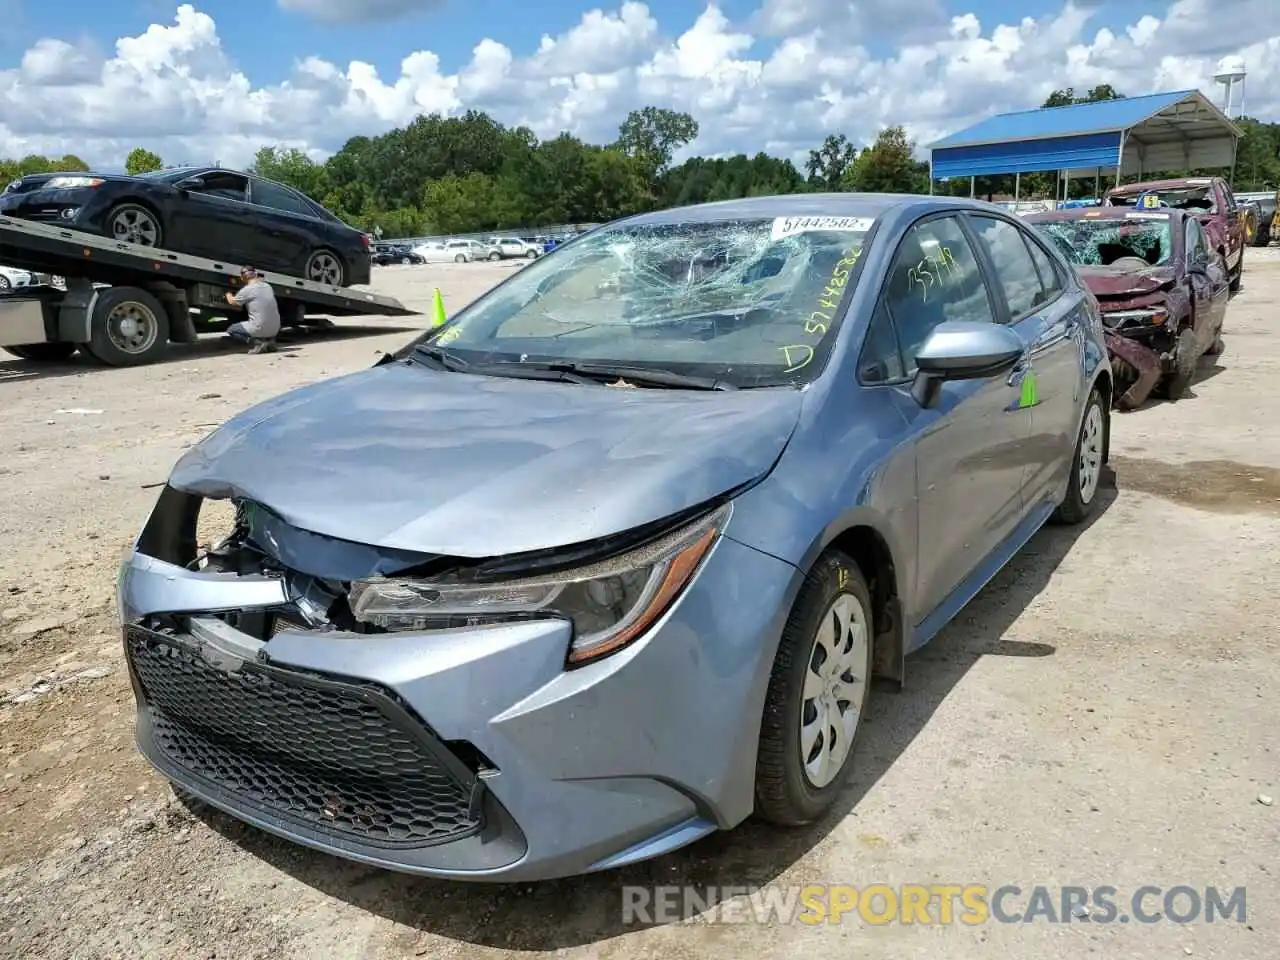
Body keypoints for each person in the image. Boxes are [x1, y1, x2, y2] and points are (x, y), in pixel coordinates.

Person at [224, 266, 280, 354]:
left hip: (260, 328)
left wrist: (228, 293)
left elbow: (232, 302)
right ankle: (269, 342)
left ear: (243, 277)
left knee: (231, 330)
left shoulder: (247, 290)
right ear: (256, 274)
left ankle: (259, 344)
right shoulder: (268, 286)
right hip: (275, 329)